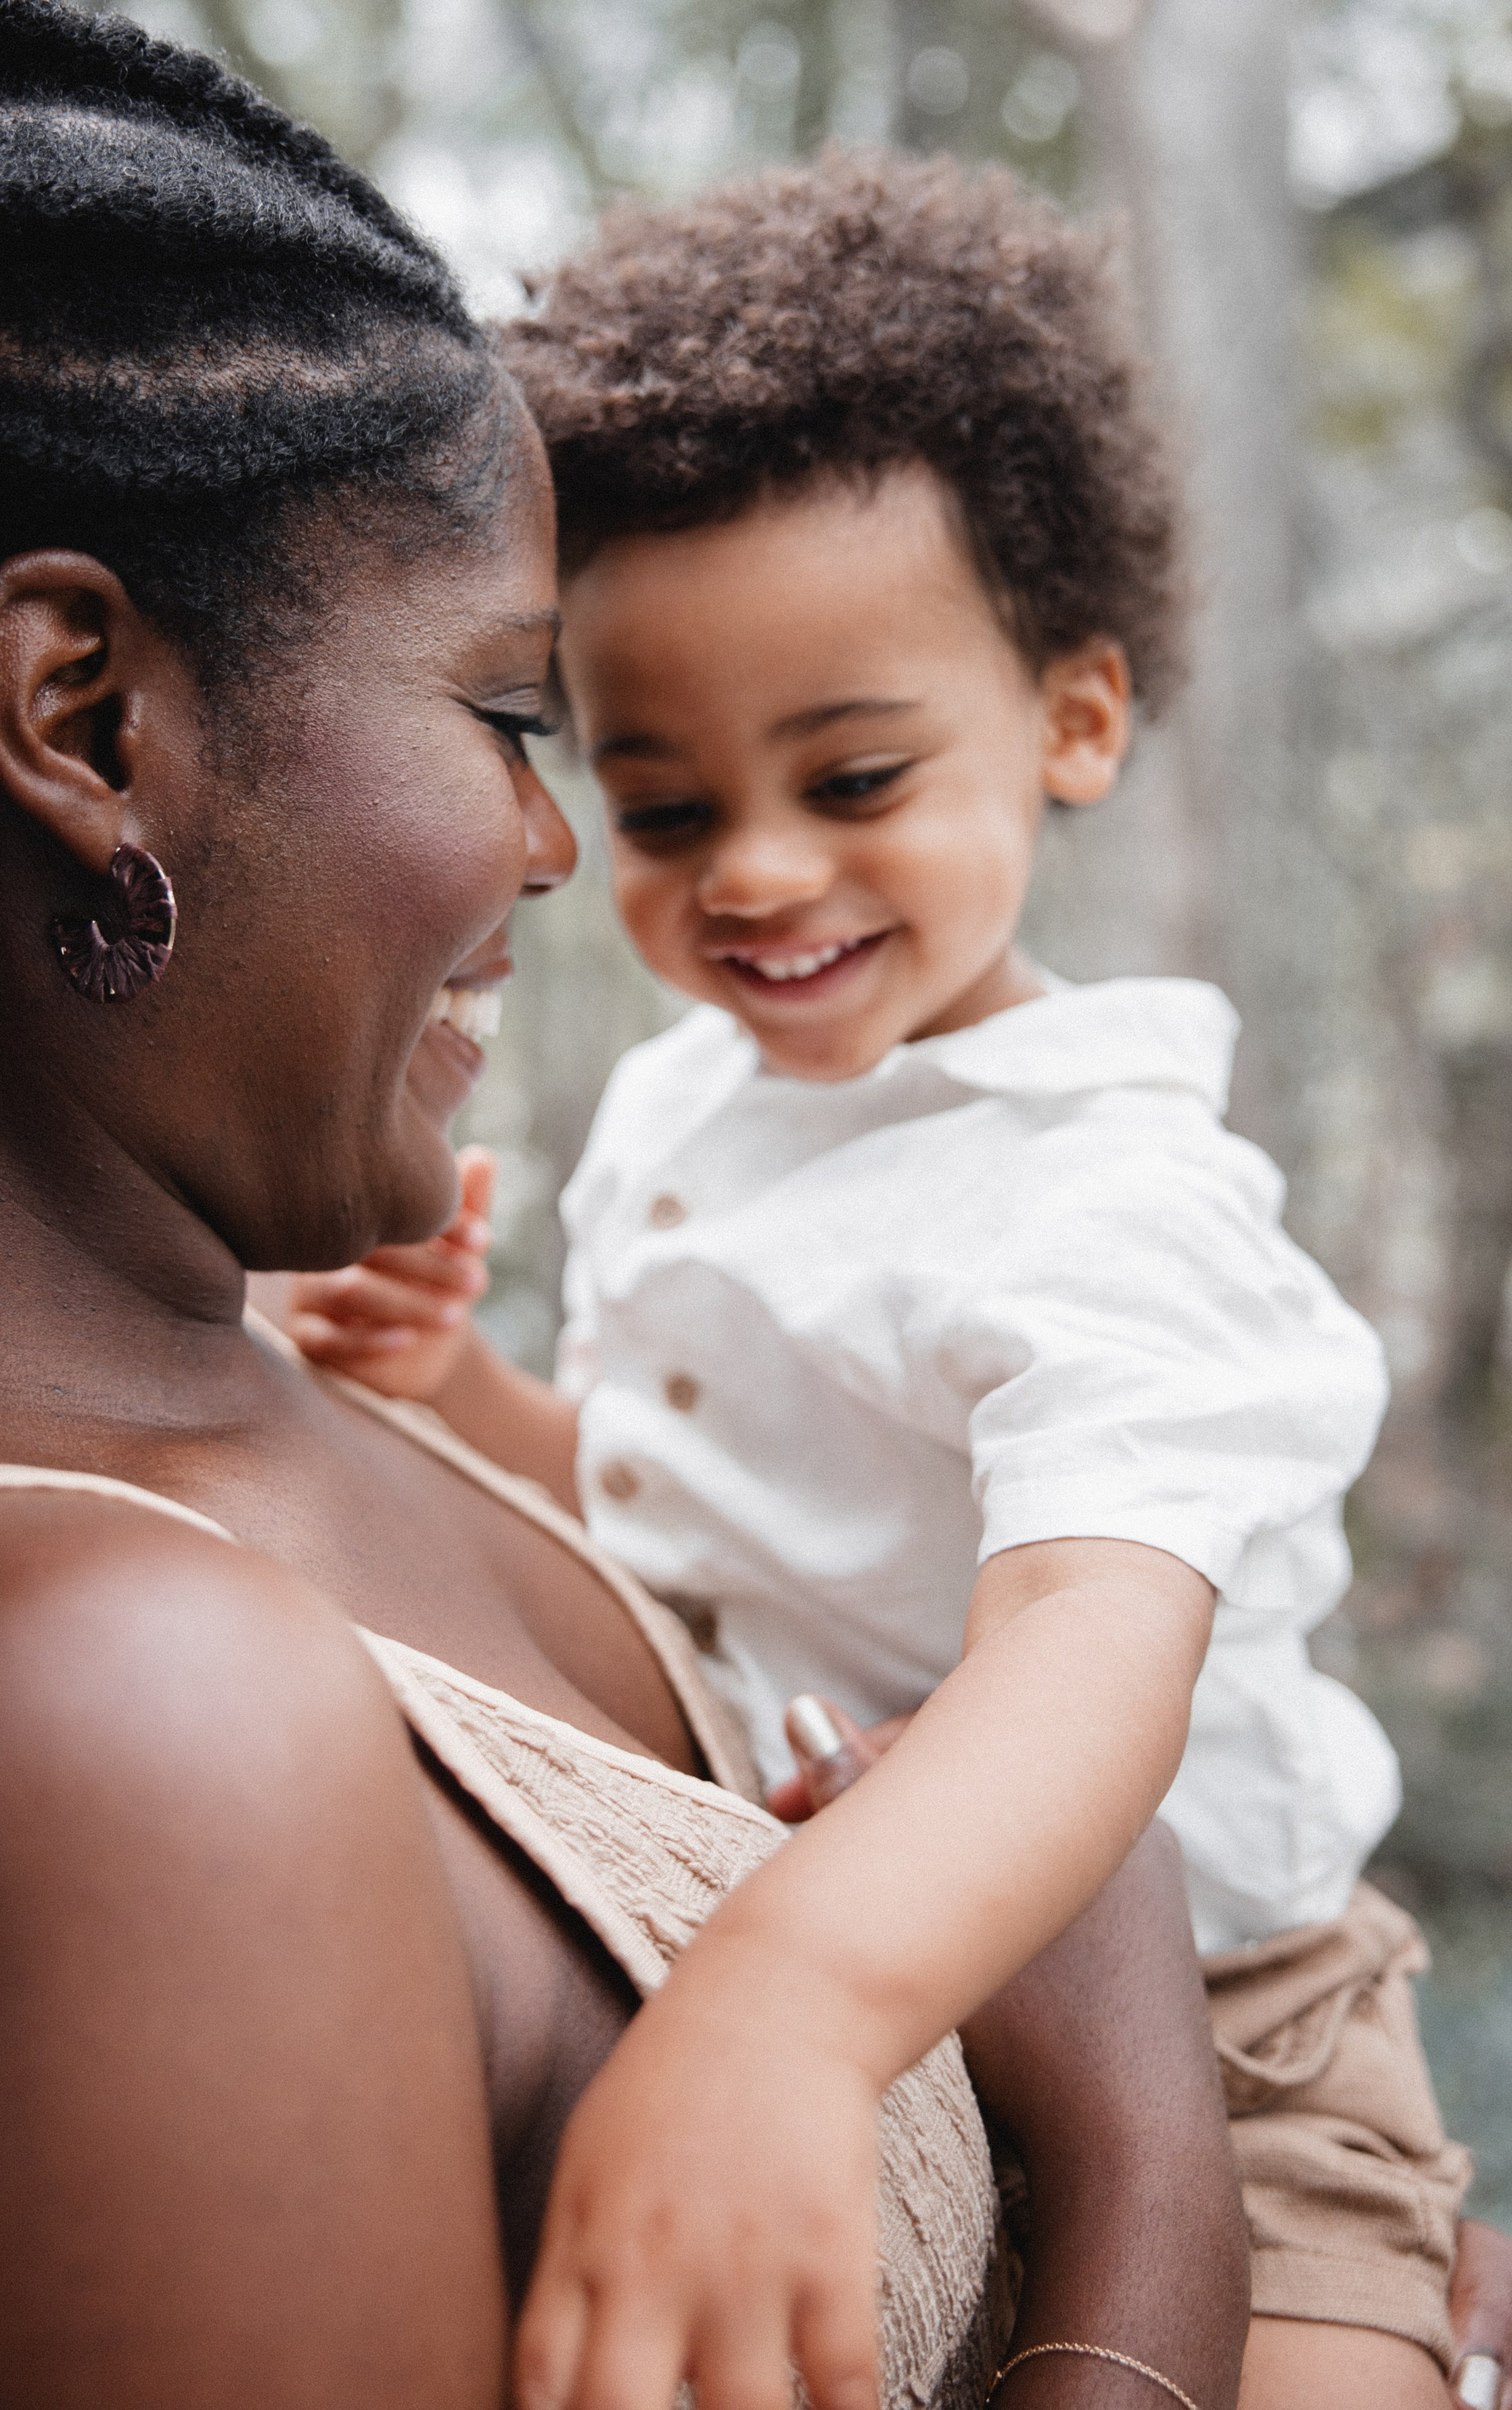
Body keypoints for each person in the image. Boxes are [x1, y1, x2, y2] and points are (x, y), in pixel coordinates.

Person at [0, 0, 1267, 2410]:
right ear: (83, 718)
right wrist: (1146, 2195)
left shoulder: (281, 1391)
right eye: (502, 715)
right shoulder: (104, 1720)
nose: (558, 844)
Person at [285, 152, 1477, 2409]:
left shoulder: (1113, 1199)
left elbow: (1082, 1652)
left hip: (1231, 2021)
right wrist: (467, 1391)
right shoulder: (686, 1119)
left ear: (1078, 722)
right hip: (830, 1940)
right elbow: (692, 1517)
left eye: (853, 774)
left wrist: (795, 2008)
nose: (756, 871)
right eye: (659, 805)